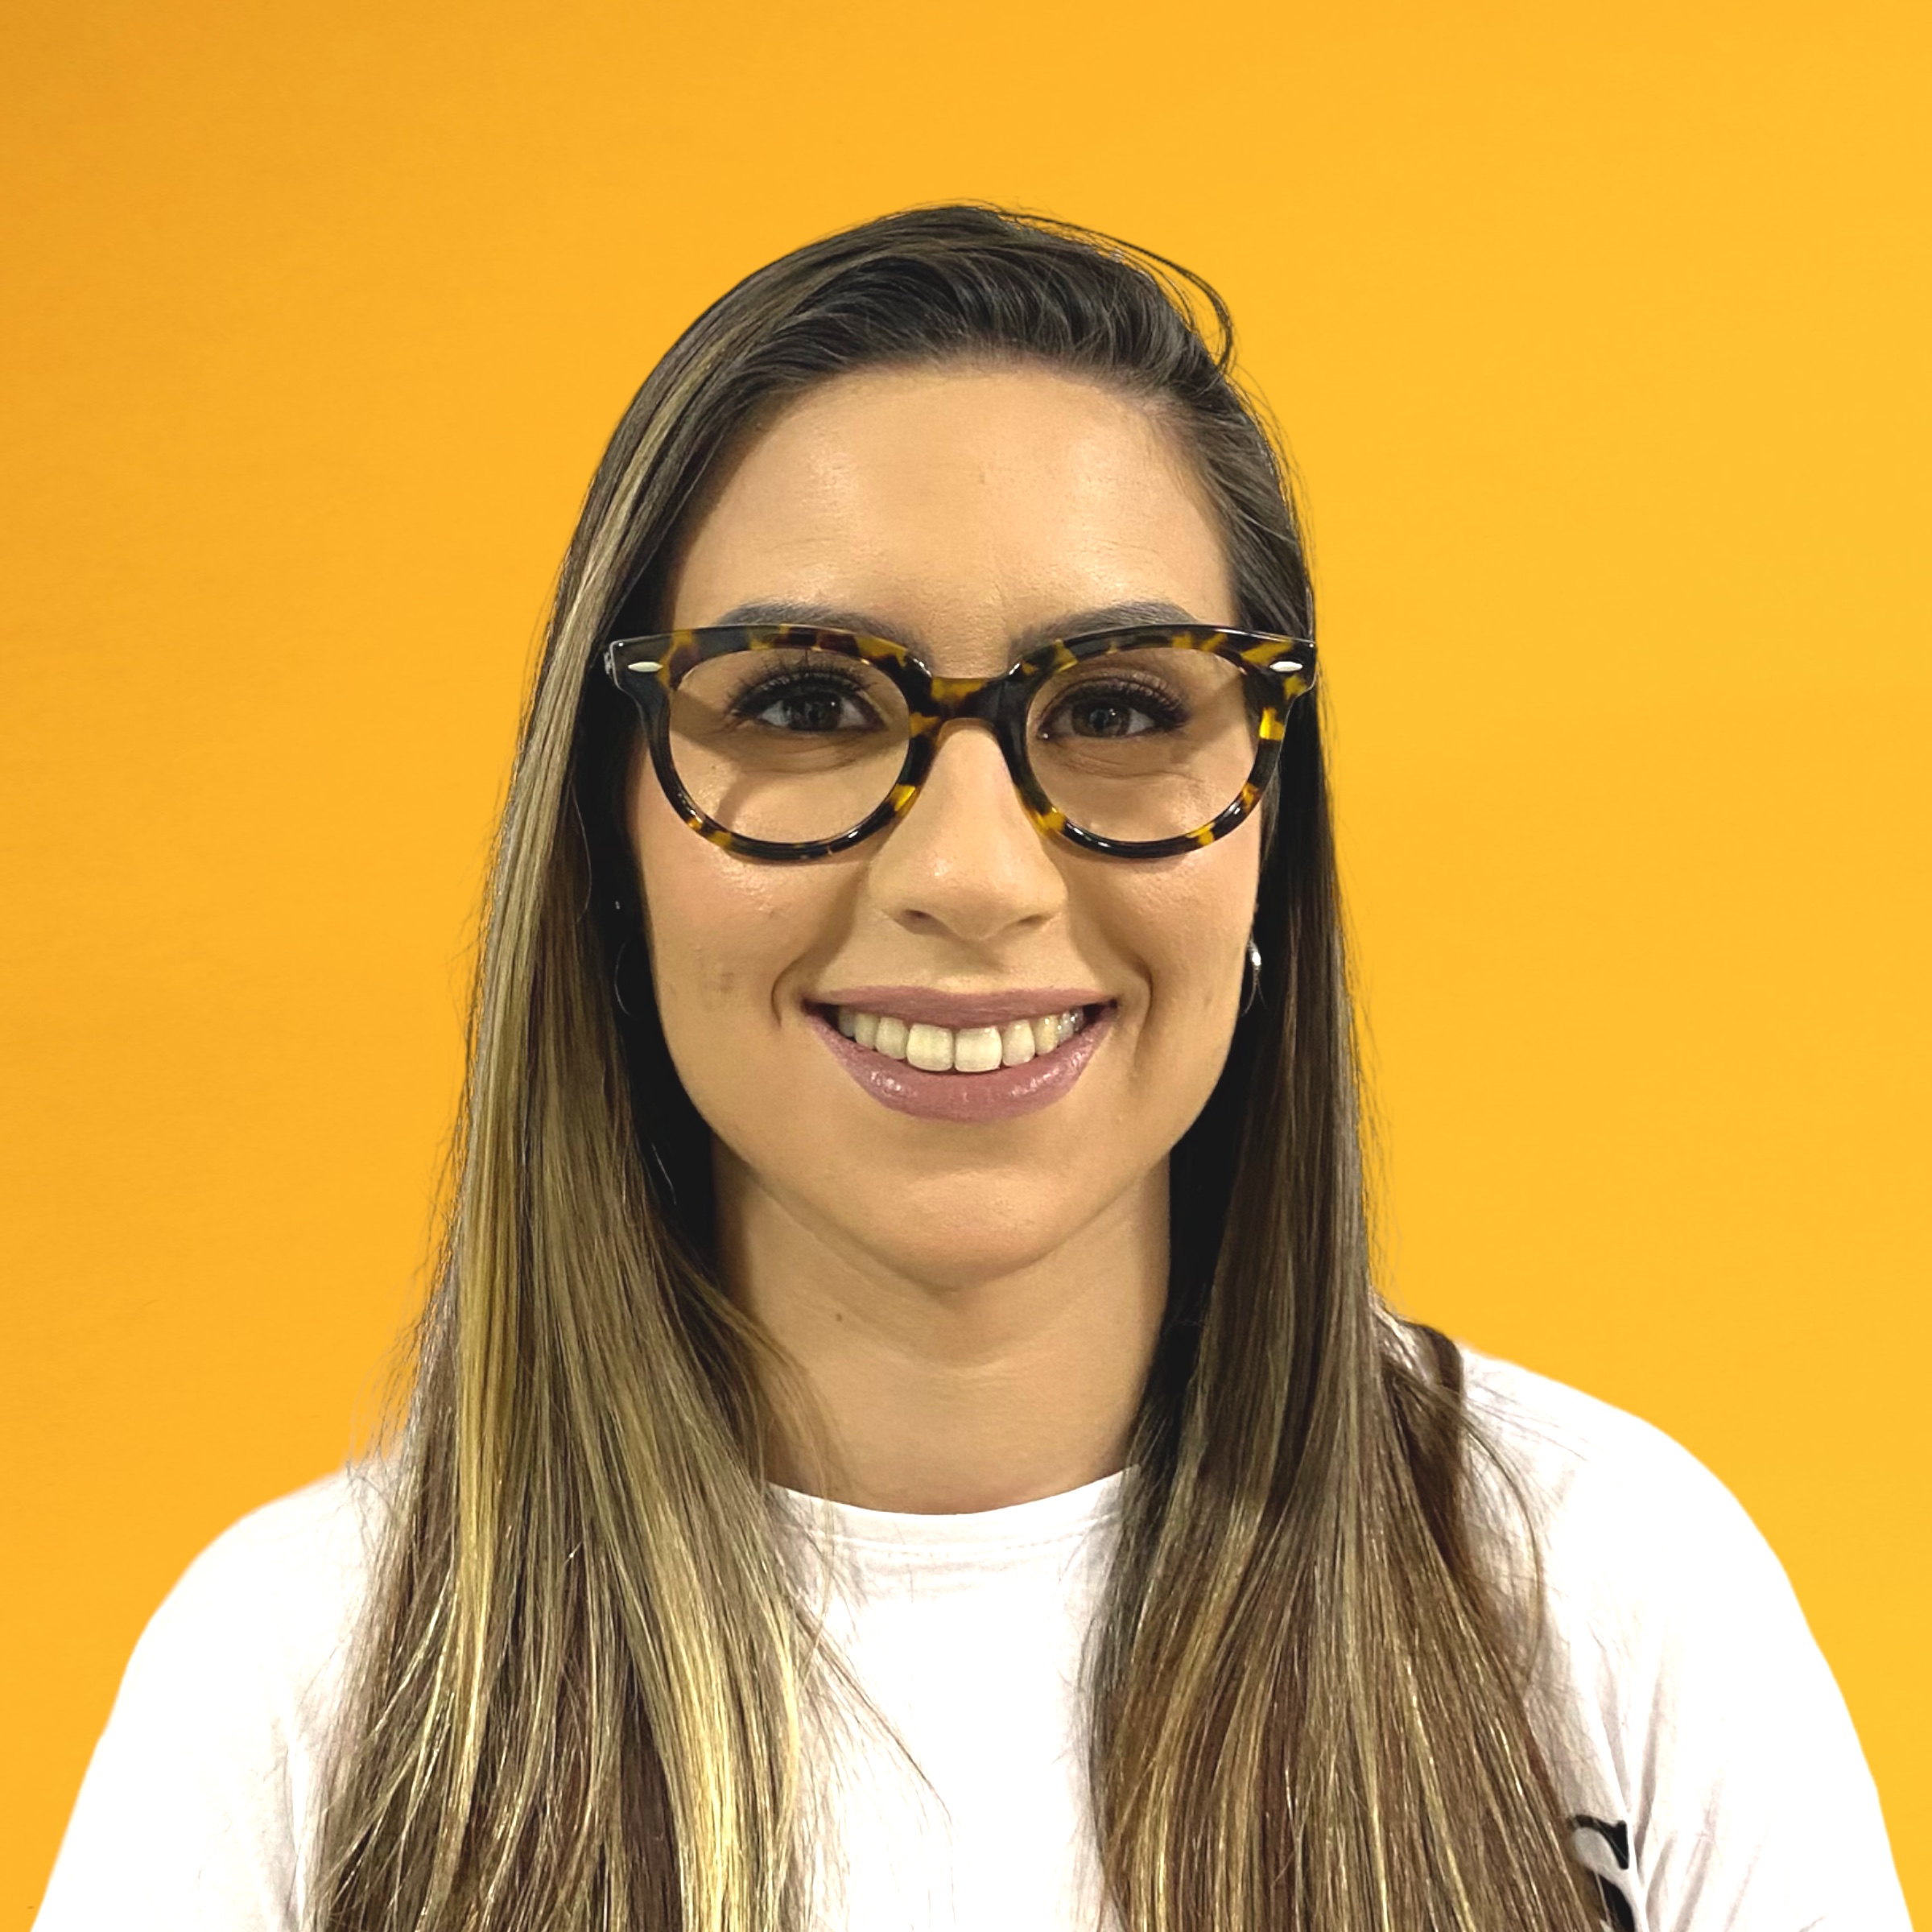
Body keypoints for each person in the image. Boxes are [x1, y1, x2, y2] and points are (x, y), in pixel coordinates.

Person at [35, 205, 1909, 1932]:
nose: (972, 873)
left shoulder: (1606, 1602)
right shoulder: (305, 1692)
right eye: (804, 702)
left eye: (1120, 707)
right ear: (608, 838)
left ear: (1273, 839)